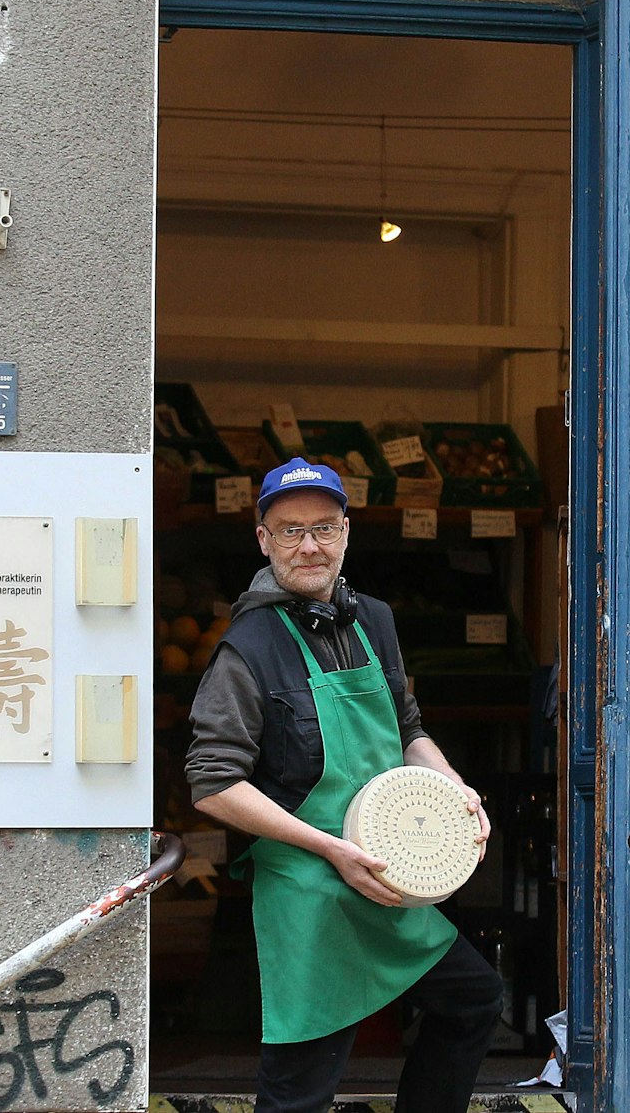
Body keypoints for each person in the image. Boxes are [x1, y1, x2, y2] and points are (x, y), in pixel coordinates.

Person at [187, 457, 502, 1113]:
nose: (310, 545)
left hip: (386, 870)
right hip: (310, 888)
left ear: (346, 531)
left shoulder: (374, 621)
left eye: (324, 527)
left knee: (473, 998)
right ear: (263, 539)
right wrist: (329, 848)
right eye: (291, 529)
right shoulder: (247, 647)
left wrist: (450, 782)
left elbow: (407, 727)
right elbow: (213, 784)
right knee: (299, 1090)